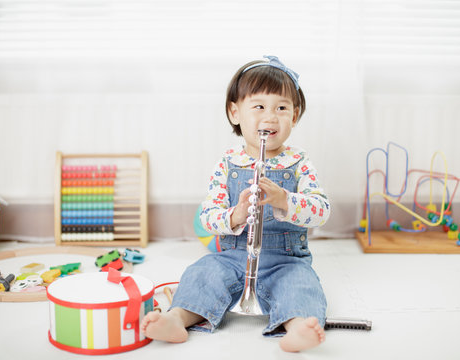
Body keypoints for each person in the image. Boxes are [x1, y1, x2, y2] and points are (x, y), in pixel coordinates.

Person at [141, 55, 331, 352]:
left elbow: (321, 211)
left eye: (281, 108)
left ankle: (298, 328)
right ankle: (177, 318)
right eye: (259, 107)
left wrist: (284, 200)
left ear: (294, 117)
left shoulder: (299, 163)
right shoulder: (228, 163)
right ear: (234, 113)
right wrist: (237, 214)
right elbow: (207, 218)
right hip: (232, 256)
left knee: (302, 286)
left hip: (287, 260)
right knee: (201, 274)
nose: (270, 117)